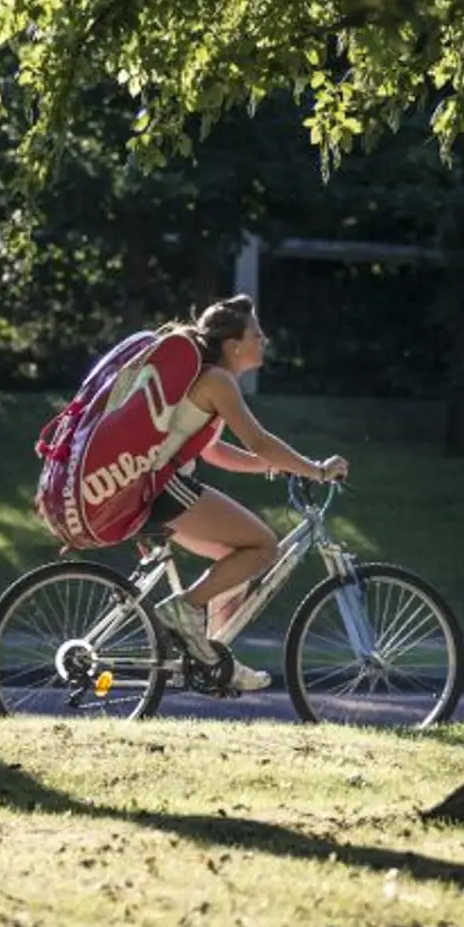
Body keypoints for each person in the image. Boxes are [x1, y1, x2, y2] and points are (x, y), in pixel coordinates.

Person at [142, 294, 348, 692]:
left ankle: (210, 658)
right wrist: (316, 469)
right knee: (265, 547)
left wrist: (271, 465)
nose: (264, 339)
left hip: (156, 487)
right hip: (168, 487)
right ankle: (183, 609)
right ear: (233, 345)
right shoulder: (217, 380)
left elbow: (214, 451)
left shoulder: (210, 378)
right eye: (257, 334)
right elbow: (260, 441)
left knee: (235, 562)